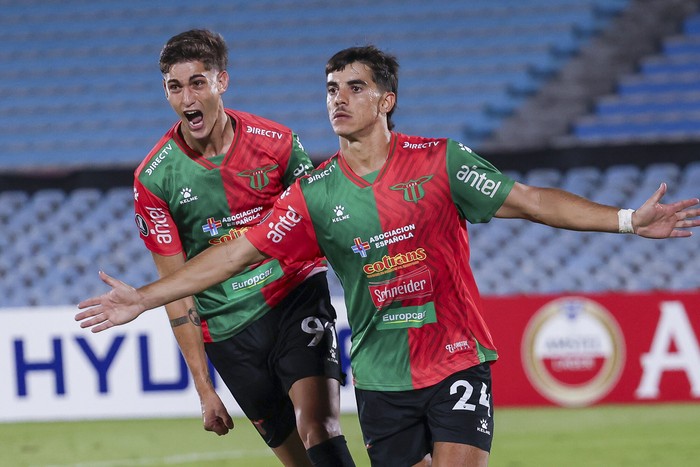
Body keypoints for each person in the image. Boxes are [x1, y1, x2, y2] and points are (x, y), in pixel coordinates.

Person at [76, 45, 700, 467]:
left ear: (386, 99)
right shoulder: (315, 193)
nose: (338, 99)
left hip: (455, 356)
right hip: (380, 377)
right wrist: (144, 297)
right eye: (330, 89)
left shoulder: (439, 161)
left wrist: (624, 221)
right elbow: (237, 253)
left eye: (355, 87)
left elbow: (531, 200)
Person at [124, 29, 354, 467]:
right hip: (227, 330)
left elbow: (329, 228)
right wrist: (204, 389)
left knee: (320, 426)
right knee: (297, 459)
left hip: (293, 299)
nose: (187, 97)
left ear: (221, 82)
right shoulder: (154, 179)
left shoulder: (278, 143)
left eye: (197, 83)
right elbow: (176, 290)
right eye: (175, 87)